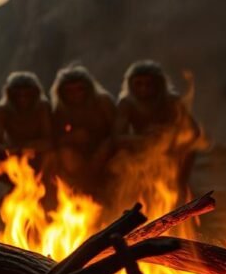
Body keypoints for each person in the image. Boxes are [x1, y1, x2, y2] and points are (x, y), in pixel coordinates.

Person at [114, 60, 203, 203]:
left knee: (188, 151)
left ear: (159, 84)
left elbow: (194, 132)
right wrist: (142, 141)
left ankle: (180, 191)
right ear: (131, 85)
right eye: (139, 84)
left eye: (149, 84)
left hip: (172, 151)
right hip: (141, 151)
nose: (144, 88)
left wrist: (169, 140)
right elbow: (118, 137)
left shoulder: (172, 102)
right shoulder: (127, 104)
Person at [49, 64, 116, 200]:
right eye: (70, 91)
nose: (75, 95)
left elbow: (117, 132)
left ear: (88, 89)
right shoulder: (61, 110)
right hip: (78, 157)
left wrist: (102, 150)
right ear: (62, 93)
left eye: (79, 90)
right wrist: (71, 137)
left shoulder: (103, 102)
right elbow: (55, 139)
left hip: (106, 151)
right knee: (63, 155)